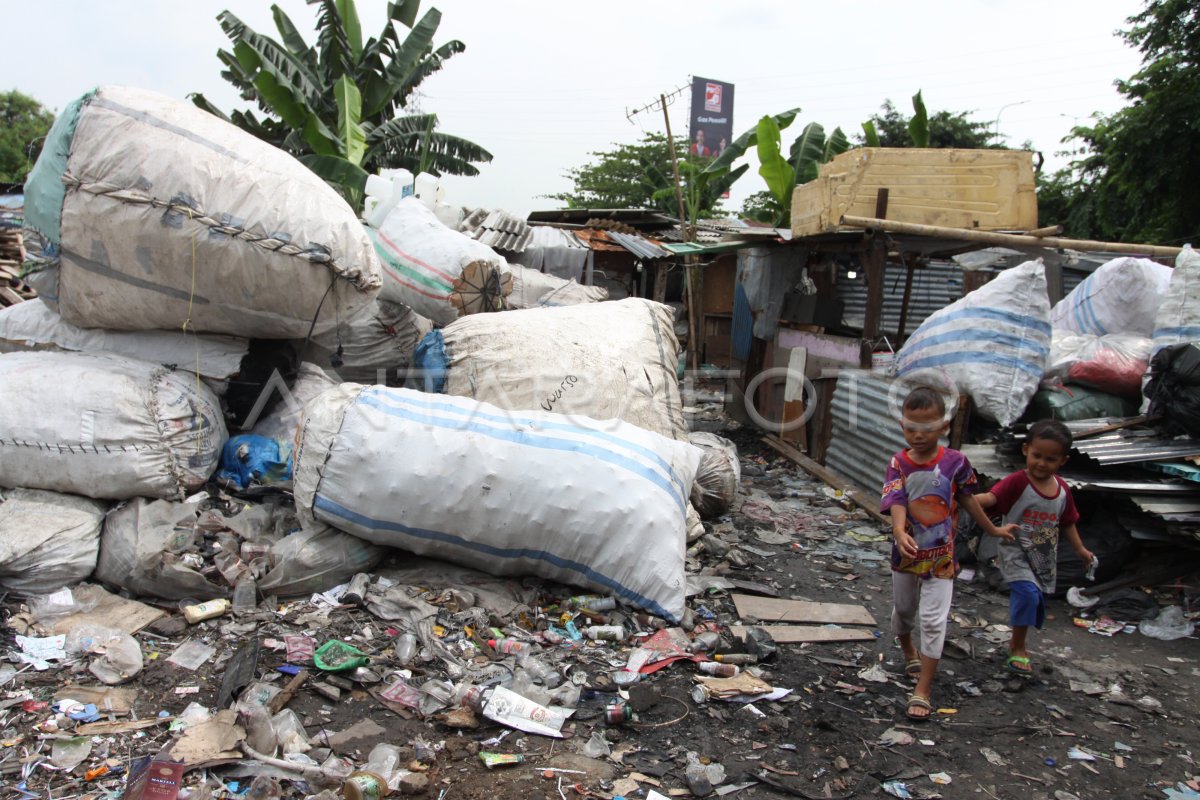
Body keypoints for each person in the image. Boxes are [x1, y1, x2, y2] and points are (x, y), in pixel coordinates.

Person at [882, 386, 1017, 721]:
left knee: (933, 620)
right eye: (911, 427)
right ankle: (908, 649)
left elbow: (970, 498)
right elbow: (896, 501)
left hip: (942, 559)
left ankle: (923, 688)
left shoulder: (956, 463)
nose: (918, 435)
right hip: (907, 555)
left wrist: (992, 529)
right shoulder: (899, 463)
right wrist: (899, 531)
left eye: (926, 429)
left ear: (943, 427)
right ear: (902, 425)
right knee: (904, 612)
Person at [975, 419, 1094, 676]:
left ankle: (1019, 640)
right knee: (1028, 593)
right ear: (1026, 449)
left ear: (1062, 461)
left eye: (1050, 459)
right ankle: (1017, 647)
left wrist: (1081, 550)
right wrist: (967, 499)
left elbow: (1068, 522)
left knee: (1037, 598)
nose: (1041, 463)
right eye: (1037, 455)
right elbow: (992, 498)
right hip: (1014, 550)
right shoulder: (1017, 482)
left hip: (1042, 555)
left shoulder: (1062, 490)